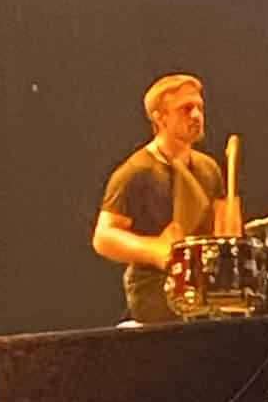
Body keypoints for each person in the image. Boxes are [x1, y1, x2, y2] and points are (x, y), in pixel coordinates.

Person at [91, 73, 224, 325]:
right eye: (186, 109)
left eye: (199, 108)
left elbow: (221, 230)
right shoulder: (136, 172)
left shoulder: (209, 169)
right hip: (156, 296)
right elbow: (104, 237)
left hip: (206, 296)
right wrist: (154, 250)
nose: (196, 115)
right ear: (159, 117)